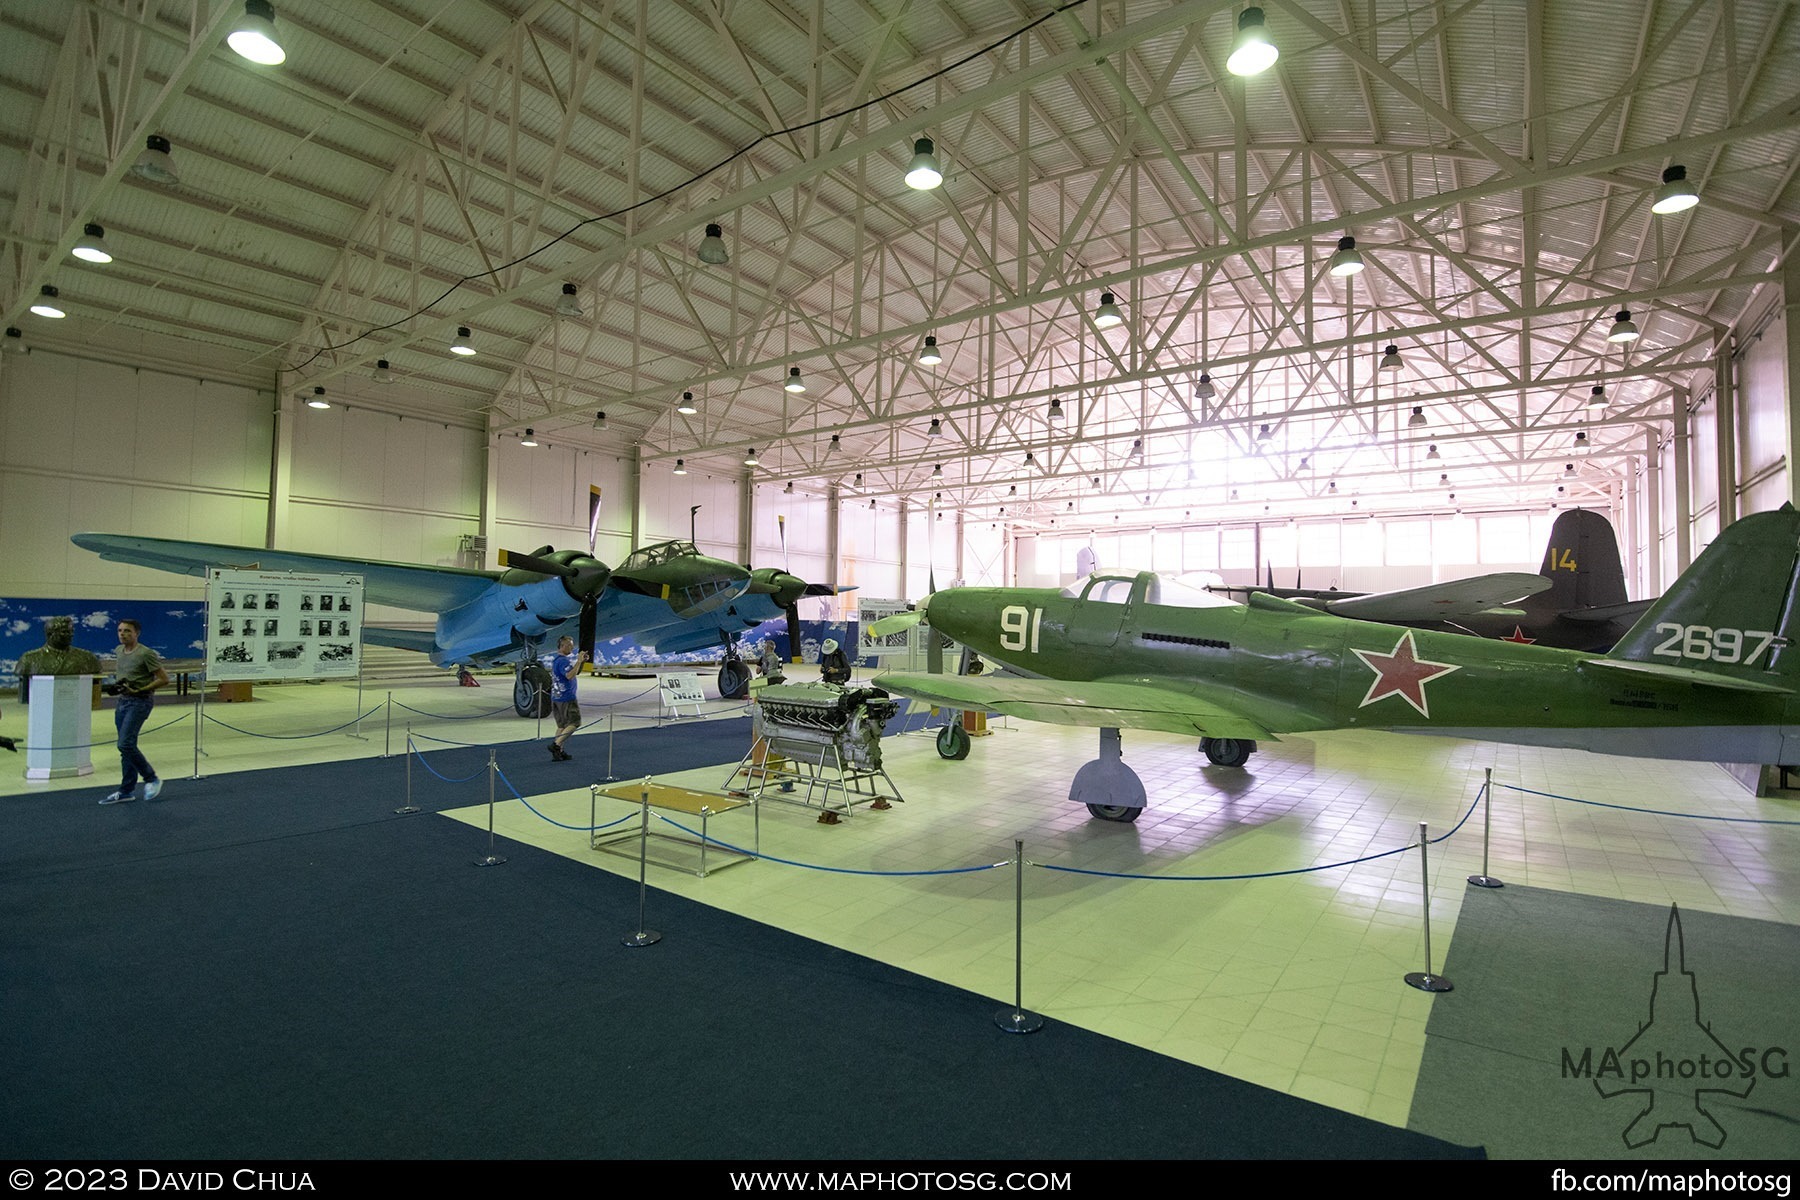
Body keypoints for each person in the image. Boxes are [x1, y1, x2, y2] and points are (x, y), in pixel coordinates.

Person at [101, 617, 170, 804]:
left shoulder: (145, 653)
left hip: (139, 702)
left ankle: (151, 778)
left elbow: (164, 679)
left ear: (136, 633)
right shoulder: (119, 651)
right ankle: (126, 790)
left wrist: (140, 689)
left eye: (127, 631)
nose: (123, 634)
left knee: (125, 744)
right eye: (120, 630)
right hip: (123, 701)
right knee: (126, 749)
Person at [547, 635, 587, 762]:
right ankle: (556, 745)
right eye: (569, 645)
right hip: (566, 698)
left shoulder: (557, 660)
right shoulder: (563, 661)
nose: (572, 647)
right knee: (575, 723)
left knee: (562, 725)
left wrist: (582, 662)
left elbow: (574, 672)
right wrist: (579, 661)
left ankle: (559, 752)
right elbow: (570, 675)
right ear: (562, 646)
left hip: (556, 697)